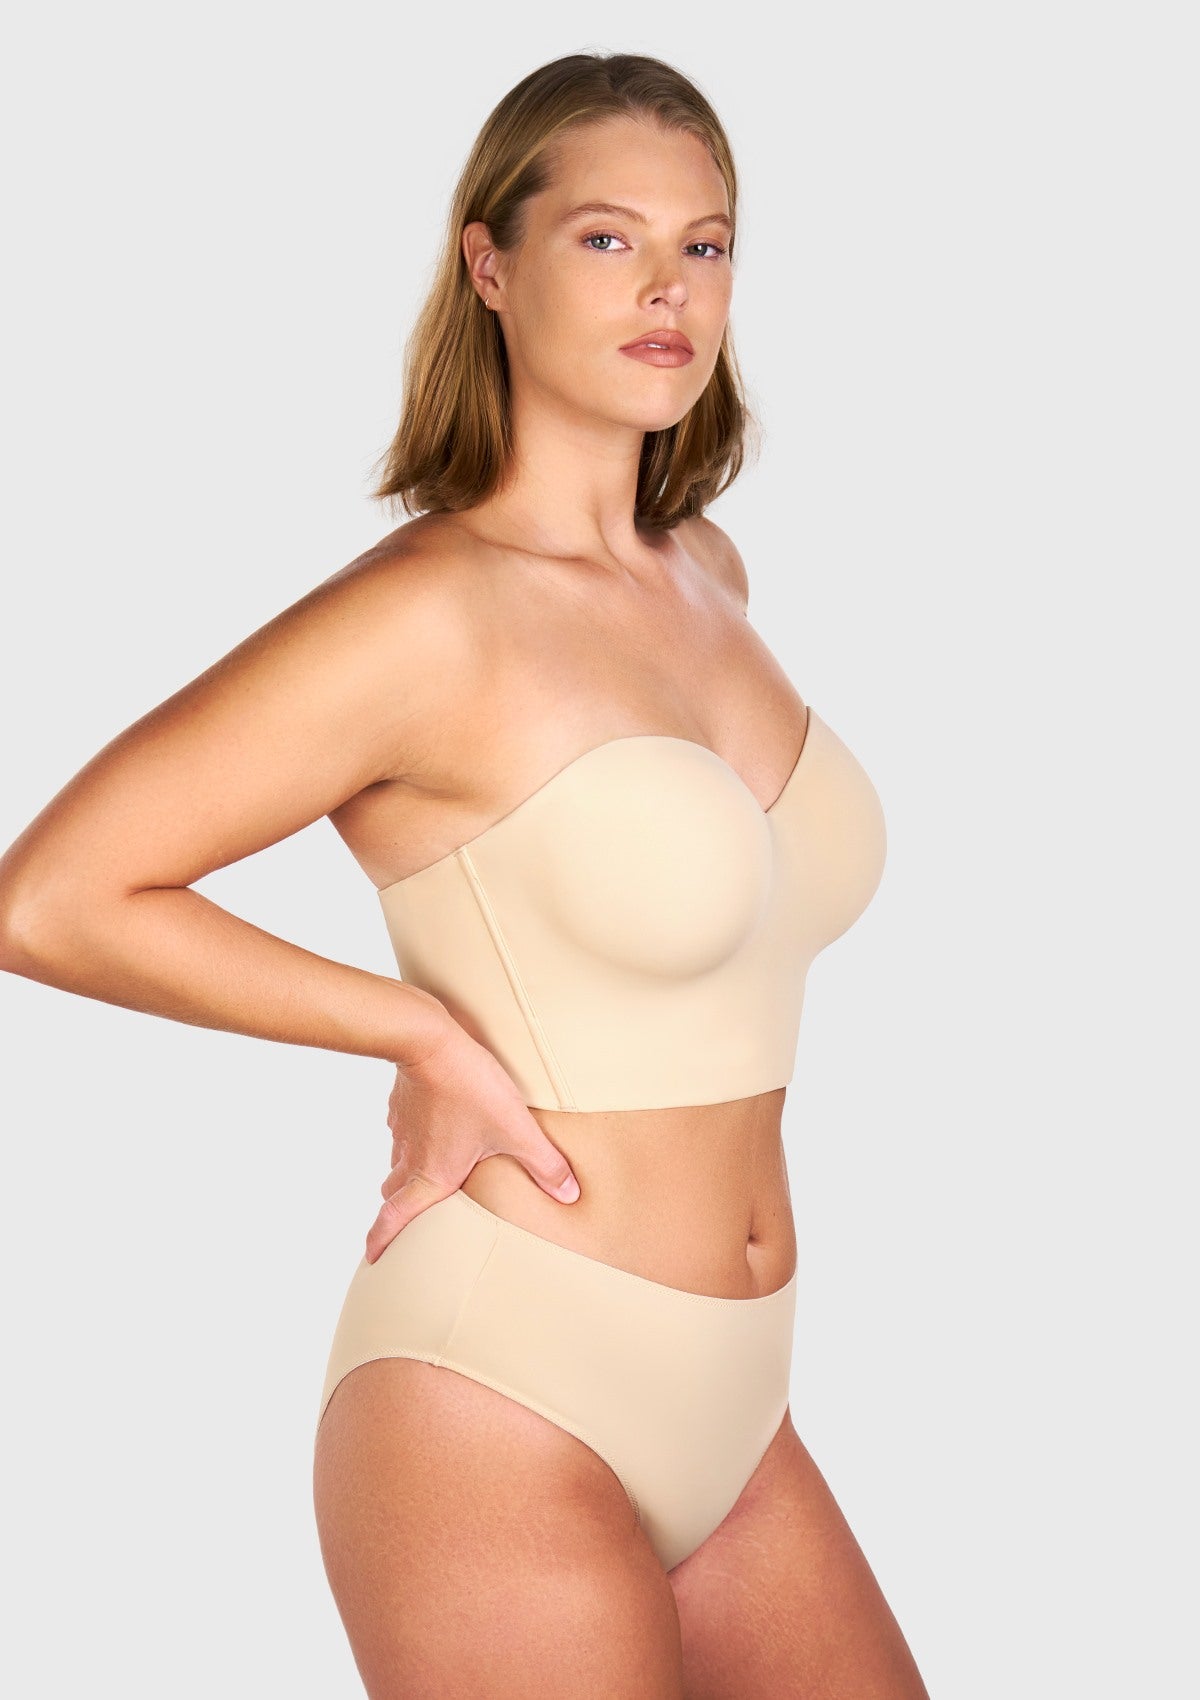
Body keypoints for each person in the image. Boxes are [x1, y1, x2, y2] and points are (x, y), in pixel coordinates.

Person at [0, 49, 930, 1700]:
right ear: (489, 265)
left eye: (705, 245)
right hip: (503, 1387)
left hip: (741, 1407)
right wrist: (416, 1033)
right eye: (605, 239)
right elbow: (52, 898)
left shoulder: (709, 573)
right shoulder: (426, 614)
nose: (667, 289)